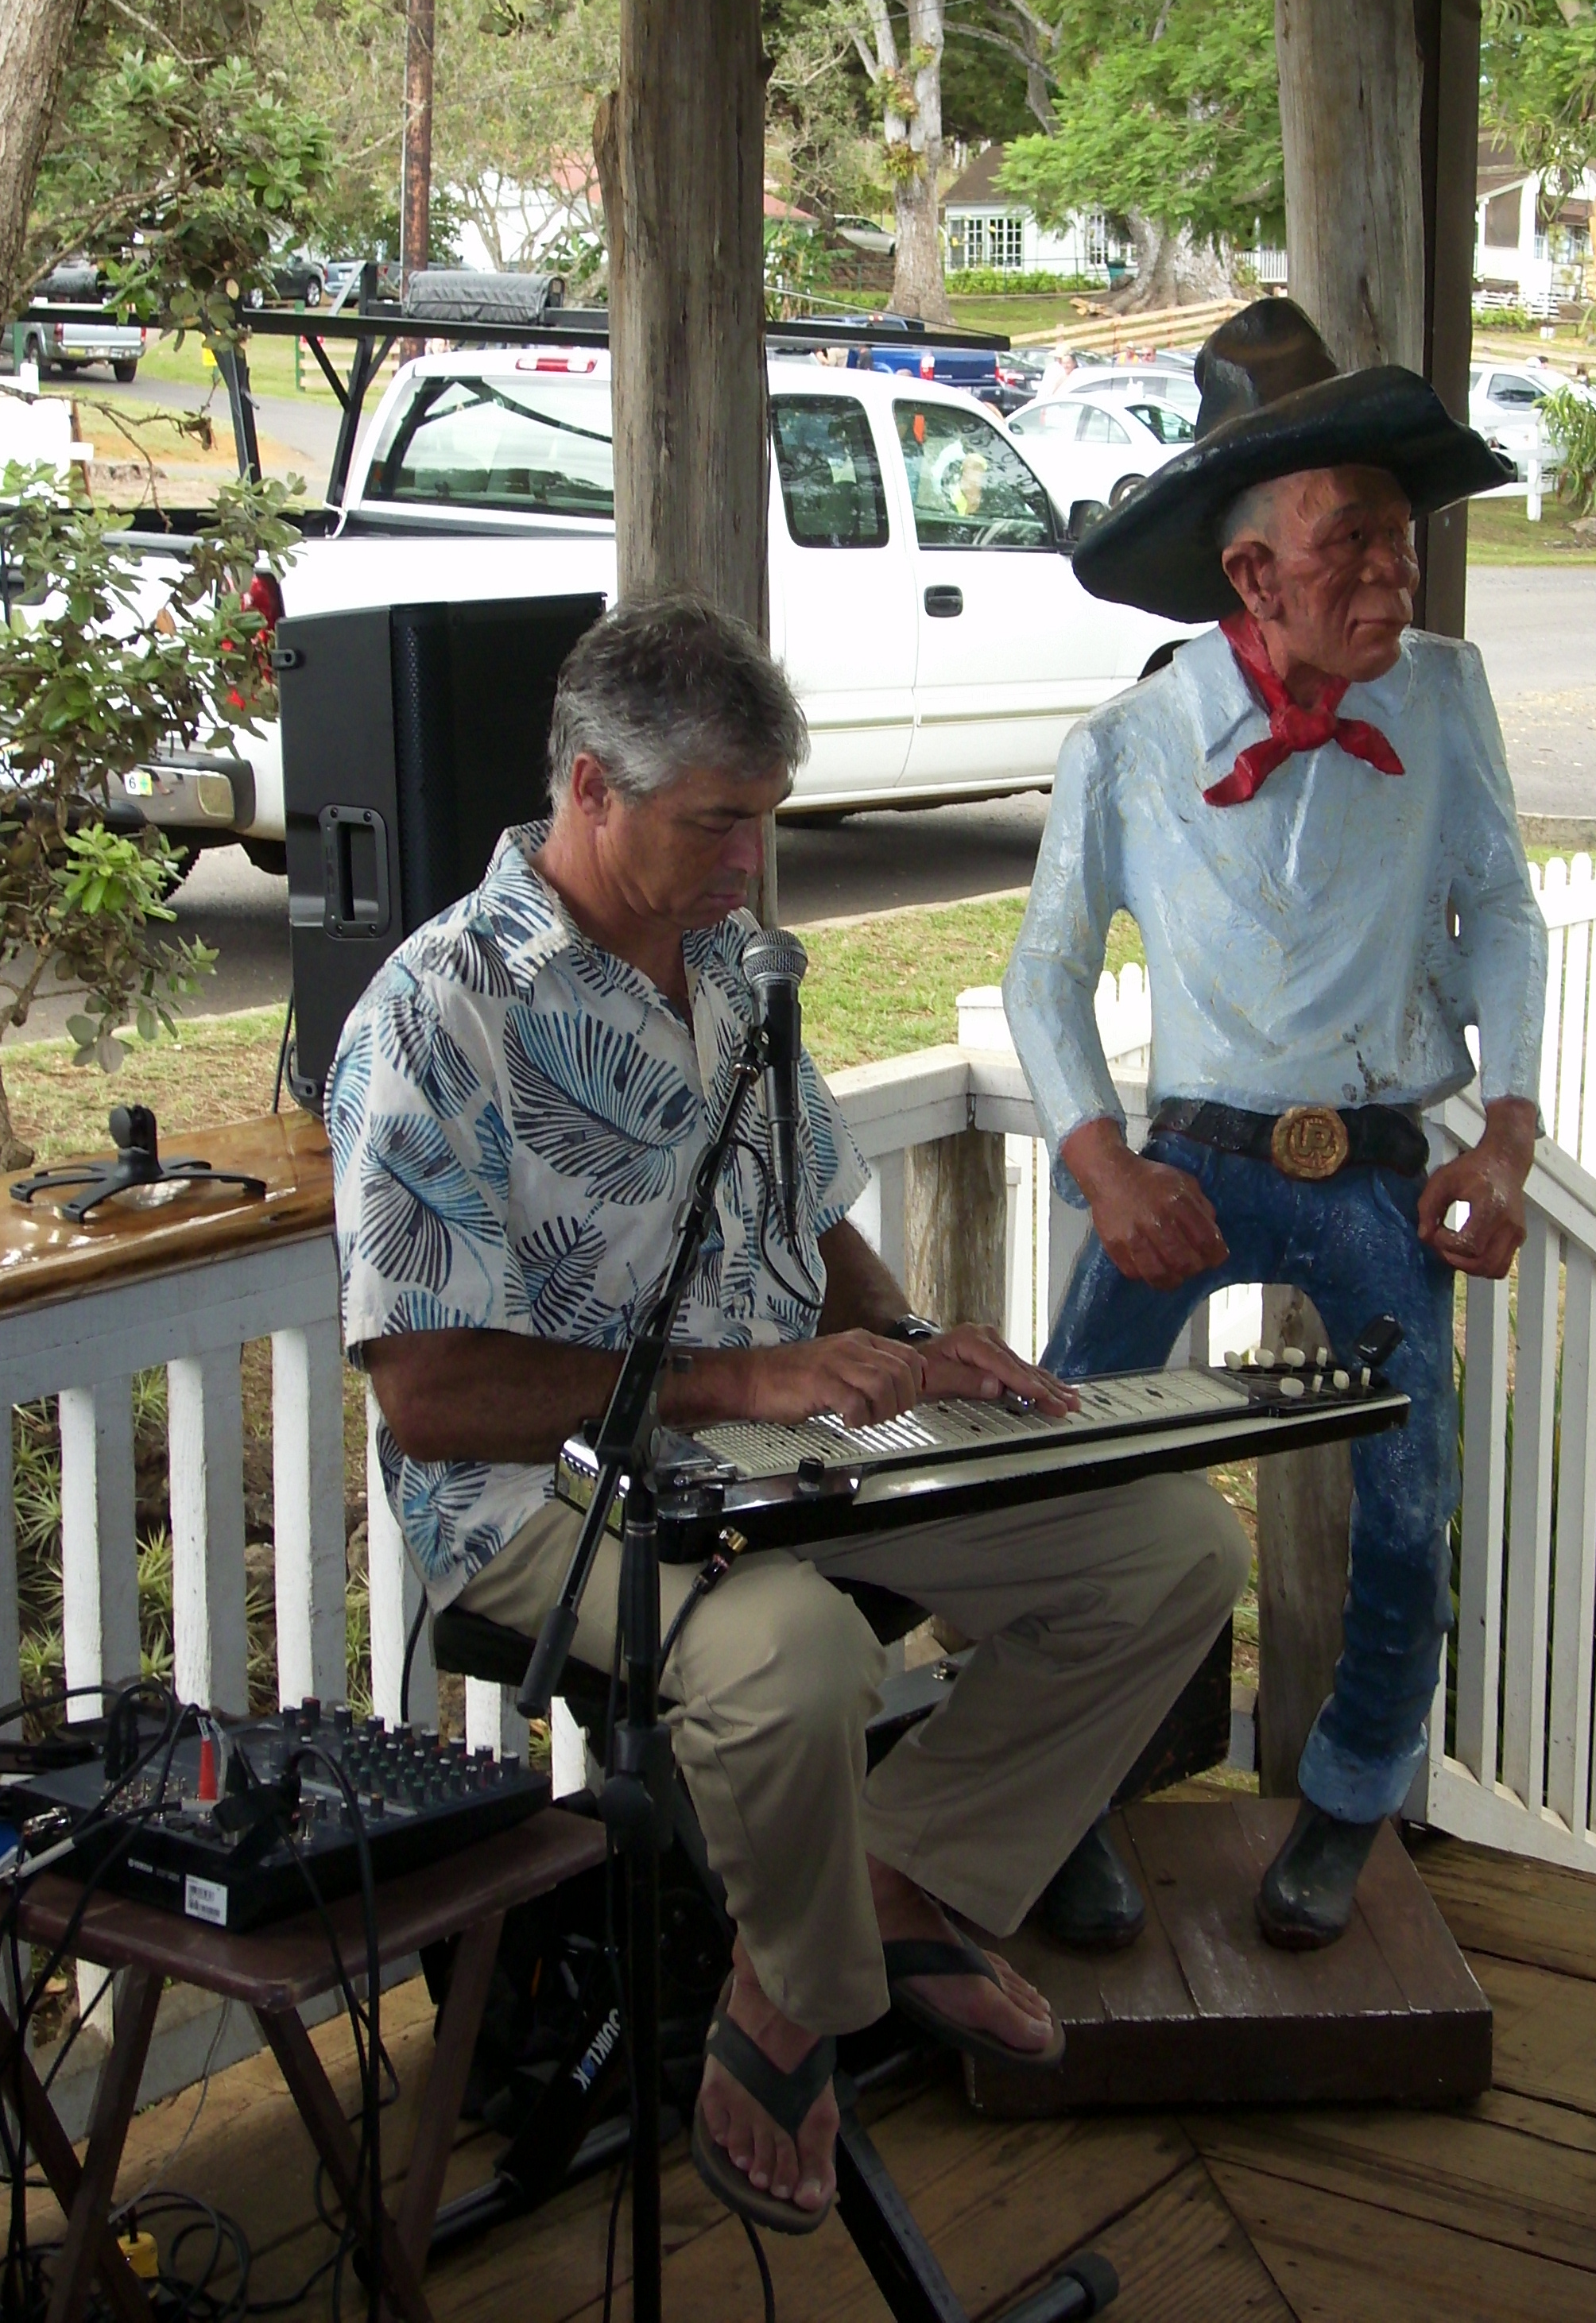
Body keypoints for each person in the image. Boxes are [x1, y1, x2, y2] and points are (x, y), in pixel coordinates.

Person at [326, 596, 1248, 2236]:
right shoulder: (436, 1009)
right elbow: (431, 1391)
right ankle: (798, 2008)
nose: (751, 862)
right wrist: (732, 1382)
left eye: (766, 818)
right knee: (796, 1657)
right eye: (716, 823)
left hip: (797, 1456)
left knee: (1171, 1549)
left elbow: (812, 1221)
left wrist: (913, 1343)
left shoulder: (738, 970)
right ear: (591, 788)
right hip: (542, 1504)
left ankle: (897, 1882)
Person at [1003, 298, 1548, 1951]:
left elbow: (1502, 915)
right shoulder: (1132, 742)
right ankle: (1056, 1797)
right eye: (1354, 542)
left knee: (1408, 1509)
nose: (1396, 575)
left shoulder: (1443, 702)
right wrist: (1102, 1163)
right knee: (1066, 1476)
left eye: (1403, 537)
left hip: (1381, 1168)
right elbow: (1043, 972)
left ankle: (1351, 1797)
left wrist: (1503, 1132)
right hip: (1190, 1166)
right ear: (1253, 575)